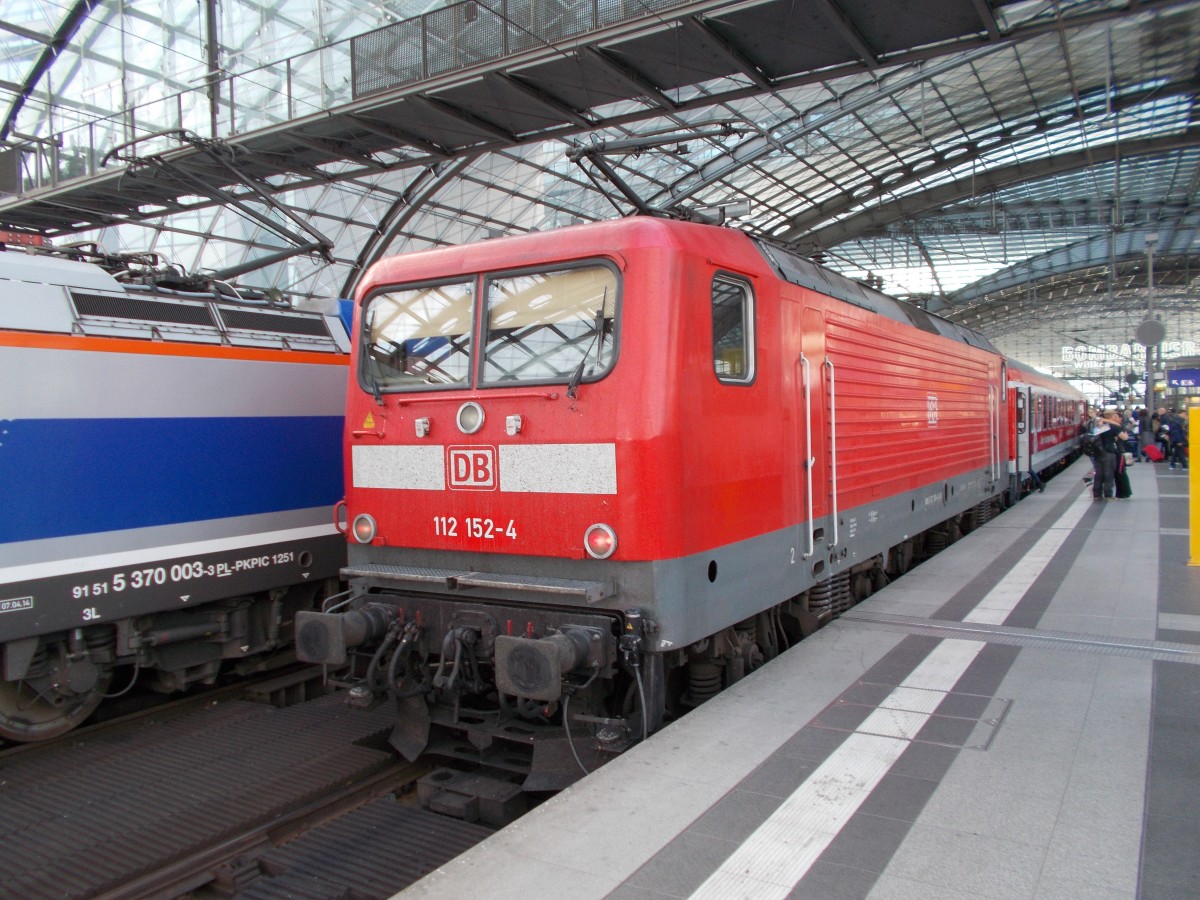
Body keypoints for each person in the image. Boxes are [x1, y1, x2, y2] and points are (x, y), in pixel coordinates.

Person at [1091, 409, 1121, 500]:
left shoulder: (1098, 424)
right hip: (1108, 452)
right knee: (1109, 473)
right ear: (1112, 416)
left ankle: (1097, 494)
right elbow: (1123, 437)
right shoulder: (1111, 426)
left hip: (1097, 452)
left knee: (1098, 474)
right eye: (1115, 415)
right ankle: (1108, 494)